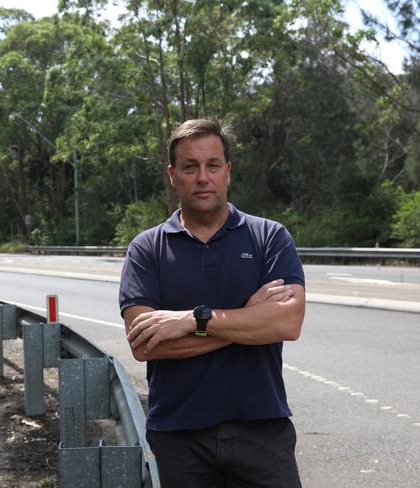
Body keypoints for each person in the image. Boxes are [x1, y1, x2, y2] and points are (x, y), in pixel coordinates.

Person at [118, 118, 306, 487]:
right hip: (179, 437)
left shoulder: (269, 237)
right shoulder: (147, 249)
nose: (203, 177)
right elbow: (144, 343)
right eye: (190, 167)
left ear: (228, 172)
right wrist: (252, 320)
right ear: (173, 175)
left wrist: (193, 320)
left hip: (262, 430)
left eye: (213, 165)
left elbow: (287, 323)